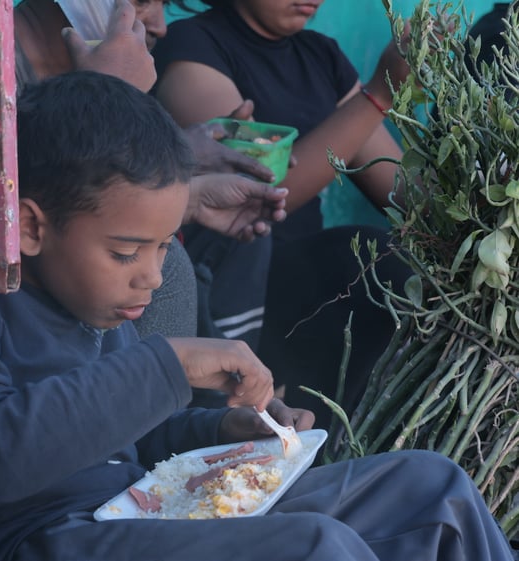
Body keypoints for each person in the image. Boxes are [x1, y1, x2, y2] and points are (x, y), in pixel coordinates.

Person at [0, 70, 513, 561]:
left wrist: (225, 432)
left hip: (140, 509)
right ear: (32, 225)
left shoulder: (101, 305)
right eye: (126, 251)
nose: (151, 274)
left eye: (160, 246)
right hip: (34, 538)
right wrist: (170, 364)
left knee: (433, 489)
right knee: (317, 549)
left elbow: (135, 442)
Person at [0, 0, 289, 343]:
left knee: (239, 226)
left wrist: (188, 189)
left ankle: (239, 390)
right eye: (143, 2)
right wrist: (113, 94)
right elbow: (3, 226)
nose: (161, 26)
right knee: (170, 265)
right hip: (14, 320)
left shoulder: (122, 67)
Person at [150, 0, 415, 424]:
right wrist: (378, 95)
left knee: (397, 264)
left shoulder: (321, 55)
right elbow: (254, 197)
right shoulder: (193, 45)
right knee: (367, 259)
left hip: (304, 277)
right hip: (230, 277)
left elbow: (403, 191)